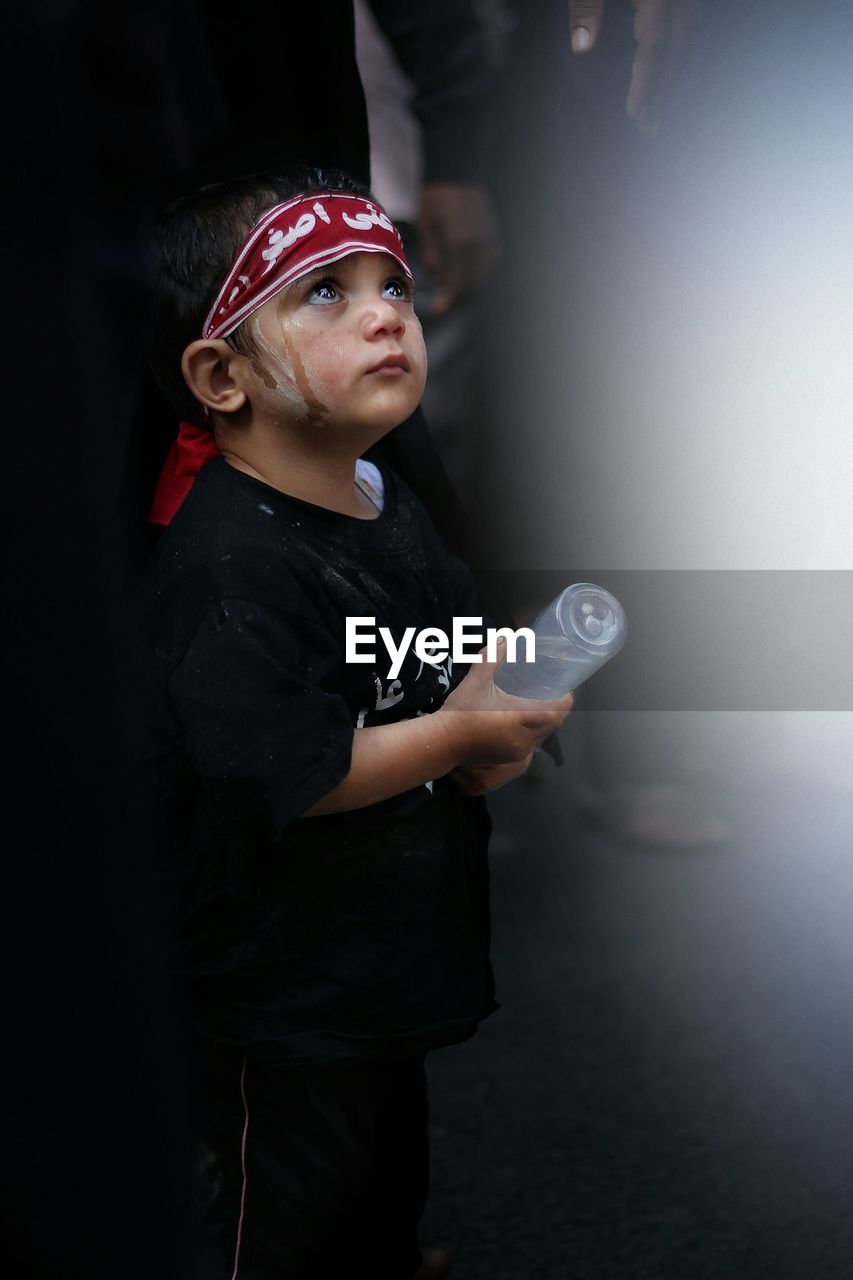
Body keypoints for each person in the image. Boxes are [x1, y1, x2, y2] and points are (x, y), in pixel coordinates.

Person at [141, 166, 574, 1279]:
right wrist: (457, 736)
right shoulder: (227, 566)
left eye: (395, 284)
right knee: (287, 1204)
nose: (387, 310)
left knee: (380, 1173)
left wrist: (497, 720)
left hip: (378, 953)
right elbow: (299, 766)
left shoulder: (392, 499)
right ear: (221, 375)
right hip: (280, 981)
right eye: (324, 293)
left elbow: (432, 669)